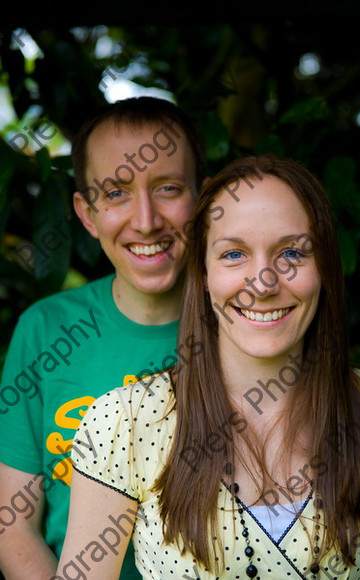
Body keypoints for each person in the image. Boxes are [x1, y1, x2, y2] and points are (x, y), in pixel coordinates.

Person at [57, 153, 360, 579]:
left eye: (291, 252)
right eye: (234, 254)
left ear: (324, 268)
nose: (264, 283)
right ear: (203, 272)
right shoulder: (123, 423)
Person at [0, 96, 208, 579]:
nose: (146, 220)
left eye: (169, 188)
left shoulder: (250, 327)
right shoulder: (46, 330)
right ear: (87, 214)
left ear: (204, 199)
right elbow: (13, 525)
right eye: (115, 193)